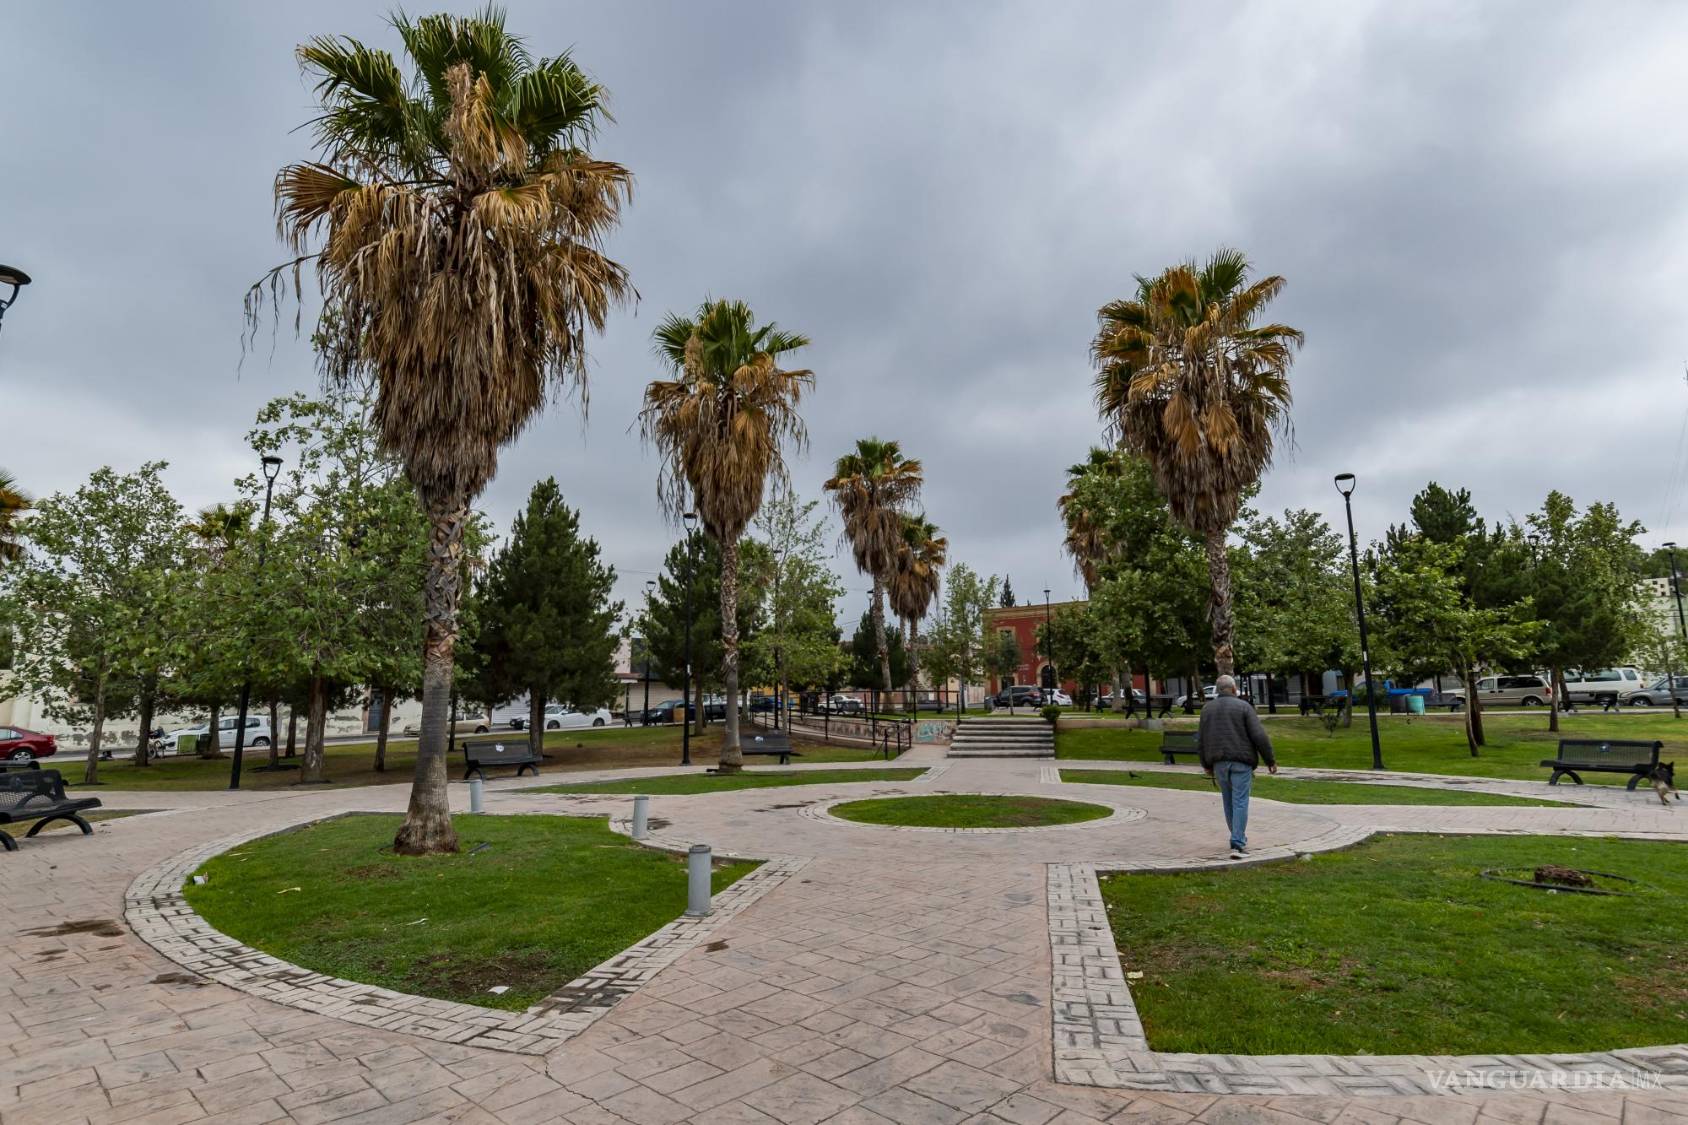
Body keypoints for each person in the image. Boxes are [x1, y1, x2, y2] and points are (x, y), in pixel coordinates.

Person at [1197, 675, 1277, 859]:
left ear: (1217, 690)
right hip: (1241, 760)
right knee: (1240, 801)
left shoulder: (1207, 709)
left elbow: (1201, 739)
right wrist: (1270, 760)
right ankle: (1238, 842)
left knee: (1228, 800)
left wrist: (1206, 764)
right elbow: (1259, 736)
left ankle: (1237, 836)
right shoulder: (1244, 707)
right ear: (1234, 689)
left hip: (1219, 762)